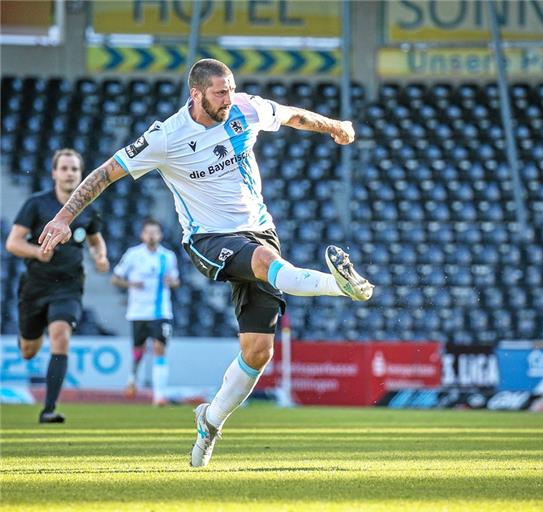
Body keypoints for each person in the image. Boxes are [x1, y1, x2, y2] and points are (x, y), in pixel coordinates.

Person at [38, 58, 374, 466]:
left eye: (231, 89)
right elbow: (106, 173)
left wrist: (335, 125)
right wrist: (62, 217)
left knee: (258, 351)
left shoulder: (246, 110)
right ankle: (340, 284)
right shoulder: (166, 136)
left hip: (258, 230)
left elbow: (292, 116)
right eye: (220, 92)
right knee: (268, 261)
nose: (228, 99)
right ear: (195, 94)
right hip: (206, 238)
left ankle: (209, 421)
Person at [5, 148, 110, 423]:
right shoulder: (37, 204)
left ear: (81, 173)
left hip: (69, 285)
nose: (69, 173)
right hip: (36, 286)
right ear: (54, 173)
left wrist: (101, 256)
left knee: (61, 336)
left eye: (74, 169)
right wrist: (36, 252)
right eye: (64, 168)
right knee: (29, 350)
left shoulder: (88, 208)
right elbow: (12, 243)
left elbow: (96, 239)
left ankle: (48, 409)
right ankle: (28, 335)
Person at [112, 218, 180, 405]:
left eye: (155, 232)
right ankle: (132, 379)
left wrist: (171, 283)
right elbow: (116, 278)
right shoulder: (133, 255)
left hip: (161, 312)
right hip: (138, 312)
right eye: (148, 232)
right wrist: (130, 283)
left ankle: (159, 396)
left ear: (160, 235)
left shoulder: (168, 256)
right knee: (138, 351)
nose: (151, 235)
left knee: (160, 348)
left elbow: (176, 280)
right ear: (142, 235)